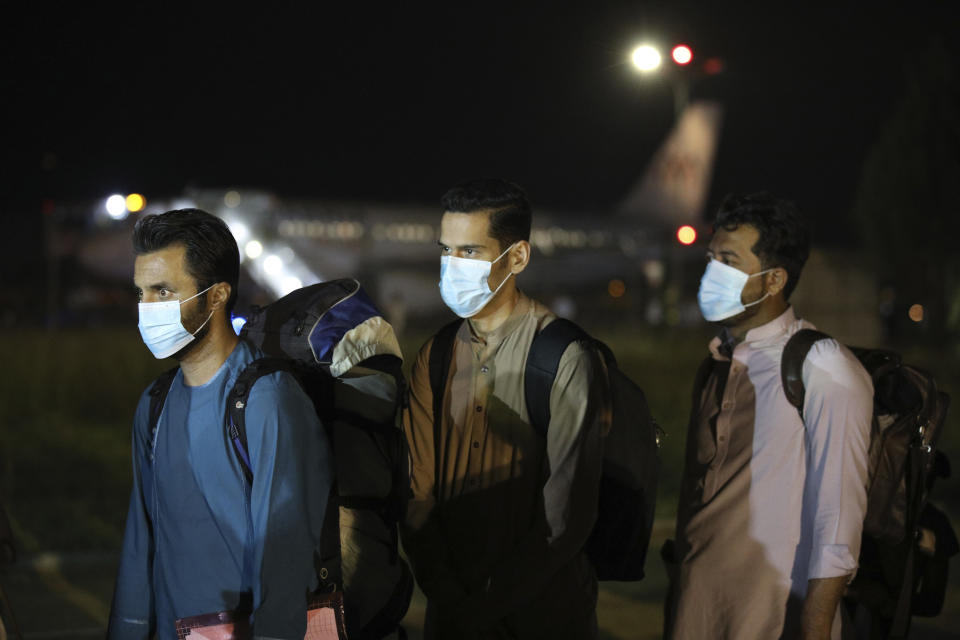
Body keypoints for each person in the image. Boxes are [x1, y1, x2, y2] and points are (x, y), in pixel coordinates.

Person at [108, 209, 333, 639]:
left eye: (163, 291)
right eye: (140, 294)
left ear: (216, 295)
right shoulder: (154, 403)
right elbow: (141, 541)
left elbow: (285, 558)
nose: (146, 310)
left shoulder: (268, 400)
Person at [400, 178, 607, 639]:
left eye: (469, 252)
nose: (452, 266)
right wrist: (450, 596)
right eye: (446, 250)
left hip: (544, 618)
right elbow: (417, 499)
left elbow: (565, 518)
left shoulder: (564, 356)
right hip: (452, 616)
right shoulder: (434, 357)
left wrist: (486, 606)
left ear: (517, 257)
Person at [668, 193, 873, 640]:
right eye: (711, 259)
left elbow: (837, 524)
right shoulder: (718, 360)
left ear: (774, 278)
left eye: (728, 261)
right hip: (695, 613)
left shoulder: (825, 368)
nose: (711, 274)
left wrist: (816, 628)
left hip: (776, 621)